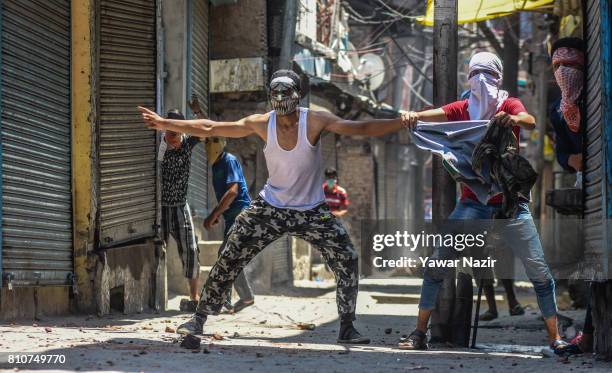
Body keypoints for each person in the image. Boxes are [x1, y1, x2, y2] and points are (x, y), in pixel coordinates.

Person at [139, 69, 412, 344]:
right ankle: (199, 318)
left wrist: (402, 122)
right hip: (271, 207)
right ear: (270, 96)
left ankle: (347, 326)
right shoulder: (262, 123)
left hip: (312, 210)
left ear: (298, 95)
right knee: (231, 252)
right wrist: (165, 123)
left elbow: (360, 128)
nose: (280, 98)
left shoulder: (314, 120)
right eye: (275, 93)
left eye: (285, 92)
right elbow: (210, 127)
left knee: (347, 257)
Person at [399, 52, 568, 353]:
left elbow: (528, 121)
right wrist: (413, 116)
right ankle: (418, 333)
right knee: (436, 265)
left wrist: (512, 118)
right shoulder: (463, 108)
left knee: (540, 272)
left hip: (511, 204)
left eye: (487, 74)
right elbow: (433, 114)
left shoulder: (507, 104)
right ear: (468, 78)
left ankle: (556, 338)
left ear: (498, 78)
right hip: (472, 203)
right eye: (475, 73)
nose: (481, 80)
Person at [189, 95, 256, 314]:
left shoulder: (228, 160)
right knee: (230, 256)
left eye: (211, 141)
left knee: (226, 254)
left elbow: (232, 192)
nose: (208, 143)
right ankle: (243, 297)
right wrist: (198, 113)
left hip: (241, 214)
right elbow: (210, 129)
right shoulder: (216, 163)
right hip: (231, 216)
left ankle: (224, 300)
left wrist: (212, 214)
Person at [549, 37, 593, 354]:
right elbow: (561, 151)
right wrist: (570, 160)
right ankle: (589, 334)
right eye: (558, 66)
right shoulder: (557, 111)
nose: (565, 72)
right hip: (585, 184)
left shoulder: (597, 99)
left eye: (571, 65)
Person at [159, 109, 201, 312]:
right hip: (158, 207)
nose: (172, 138)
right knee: (157, 251)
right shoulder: (159, 144)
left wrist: (198, 113)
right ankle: (157, 298)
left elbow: (205, 130)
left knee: (190, 249)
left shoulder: (187, 143)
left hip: (179, 206)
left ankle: (194, 296)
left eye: (176, 132)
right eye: (169, 132)